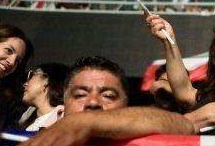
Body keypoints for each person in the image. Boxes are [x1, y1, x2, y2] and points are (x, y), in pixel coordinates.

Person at [22, 56, 194, 146]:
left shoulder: (137, 139)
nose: (93, 102)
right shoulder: (34, 138)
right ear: (64, 104)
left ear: (125, 106)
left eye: (108, 96)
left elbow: (184, 125)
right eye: (81, 95)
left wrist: (86, 120)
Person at [19, 63, 69, 131]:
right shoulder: (27, 119)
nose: (25, 84)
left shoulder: (64, 118)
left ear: (47, 81)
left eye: (32, 75)